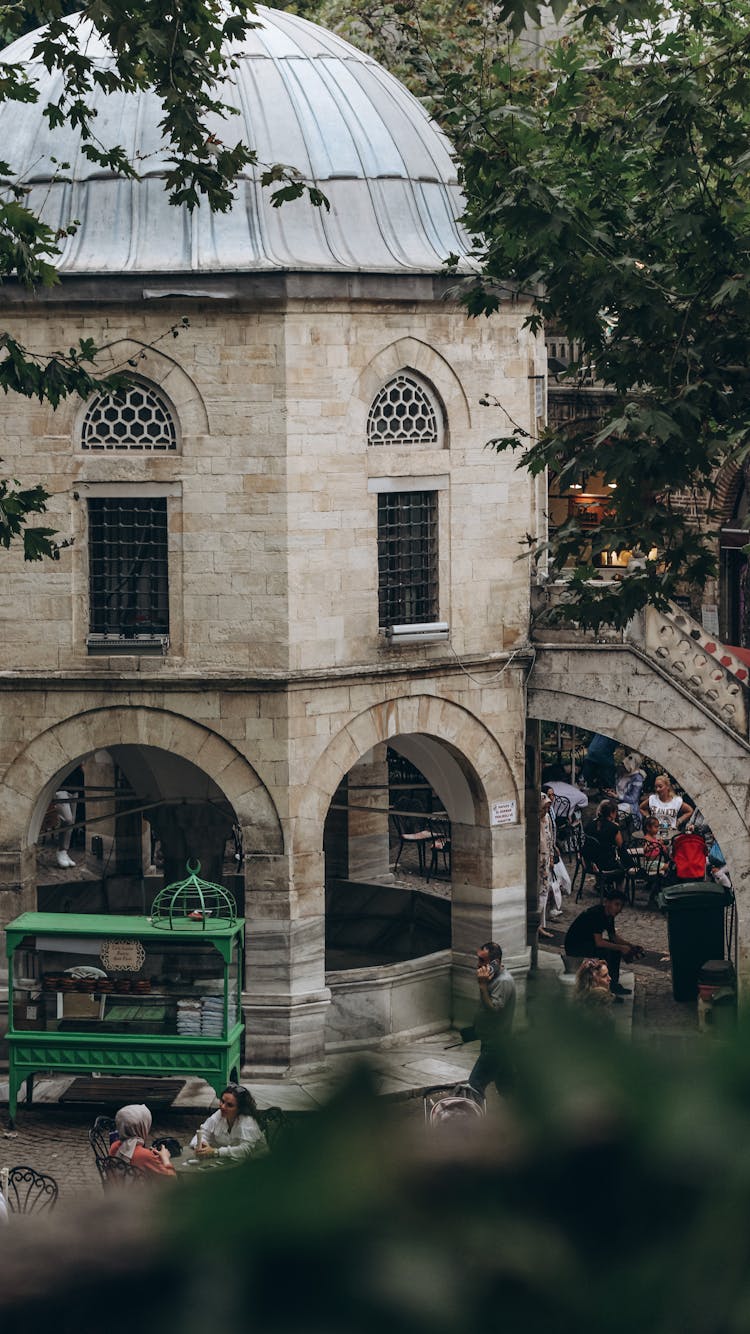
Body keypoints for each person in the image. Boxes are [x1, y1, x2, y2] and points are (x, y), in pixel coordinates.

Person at [564, 888, 643, 998]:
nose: (619, 909)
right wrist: (621, 948)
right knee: (607, 952)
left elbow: (613, 936)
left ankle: (613, 985)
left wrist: (629, 945)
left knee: (615, 950)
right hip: (576, 946)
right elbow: (599, 943)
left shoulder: (609, 915)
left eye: (621, 906)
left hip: (588, 942)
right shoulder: (598, 914)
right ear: (607, 902)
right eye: (616, 904)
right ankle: (606, 989)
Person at [467, 942, 516, 1097]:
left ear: (496, 962)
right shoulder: (492, 978)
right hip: (493, 1040)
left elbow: (494, 1009)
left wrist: (482, 986)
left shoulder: (503, 981)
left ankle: (476, 1119)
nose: (478, 964)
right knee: (506, 1085)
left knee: (475, 1083)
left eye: (482, 960)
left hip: (496, 1044)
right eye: (478, 959)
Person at [188, 1083, 267, 1165]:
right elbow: (203, 1132)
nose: (222, 1107)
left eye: (229, 1105)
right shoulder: (219, 1114)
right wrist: (201, 1145)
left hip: (257, 1165)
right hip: (233, 1163)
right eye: (222, 1101)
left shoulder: (247, 1121)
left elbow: (246, 1150)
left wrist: (216, 1152)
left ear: (240, 1109)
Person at [109, 1104, 176, 1179]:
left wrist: (151, 1157)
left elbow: (135, 1158)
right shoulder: (145, 1155)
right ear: (142, 1127)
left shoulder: (114, 1146)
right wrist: (165, 1158)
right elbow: (172, 1180)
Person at [538, 791, 557, 938]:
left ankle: (541, 924)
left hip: (544, 861)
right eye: (543, 808)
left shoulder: (547, 819)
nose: (546, 811)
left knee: (544, 891)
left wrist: (551, 857)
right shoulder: (534, 822)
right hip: (536, 861)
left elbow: (550, 839)